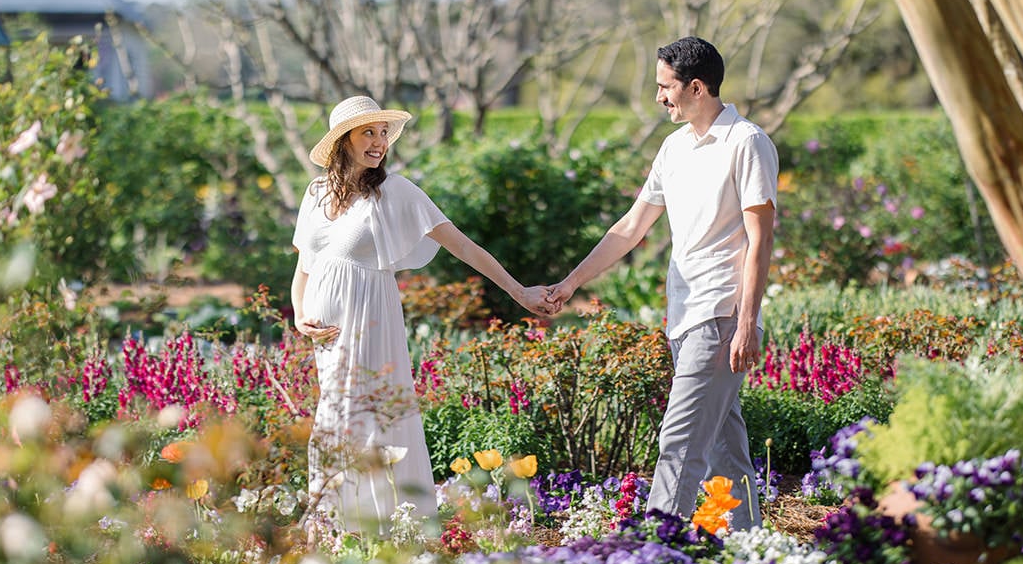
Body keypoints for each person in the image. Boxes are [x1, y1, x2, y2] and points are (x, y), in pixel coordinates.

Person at [292, 95, 555, 534]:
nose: (379, 142)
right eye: (368, 133)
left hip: (370, 322)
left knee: (372, 416)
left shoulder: (394, 191)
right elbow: (304, 266)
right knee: (335, 417)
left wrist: (517, 291)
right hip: (329, 338)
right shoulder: (316, 193)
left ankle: (386, 525)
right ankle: (334, 524)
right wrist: (300, 315)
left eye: (383, 133)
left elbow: (463, 245)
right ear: (343, 140)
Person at [547, 36, 779, 530]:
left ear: (696, 87)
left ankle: (656, 548)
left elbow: (760, 240)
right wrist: (571, 283)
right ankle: (749, 547)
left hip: (721, 314)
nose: (658, 97)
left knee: (679, 442)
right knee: (723, 449)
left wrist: (746, 323)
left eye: (665, 86)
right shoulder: (674, 147)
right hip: (684, 316)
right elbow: (632, 227)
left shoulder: (747, 142)